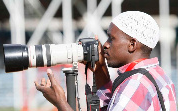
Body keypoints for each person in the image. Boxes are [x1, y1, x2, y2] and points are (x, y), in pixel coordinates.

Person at [34, 11, 177, 111]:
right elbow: (110, 106)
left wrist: (60, 102)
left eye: (111, 38)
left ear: (132, 44)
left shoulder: (137, 82)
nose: (106, 44)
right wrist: (99, 68)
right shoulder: (156, 74)